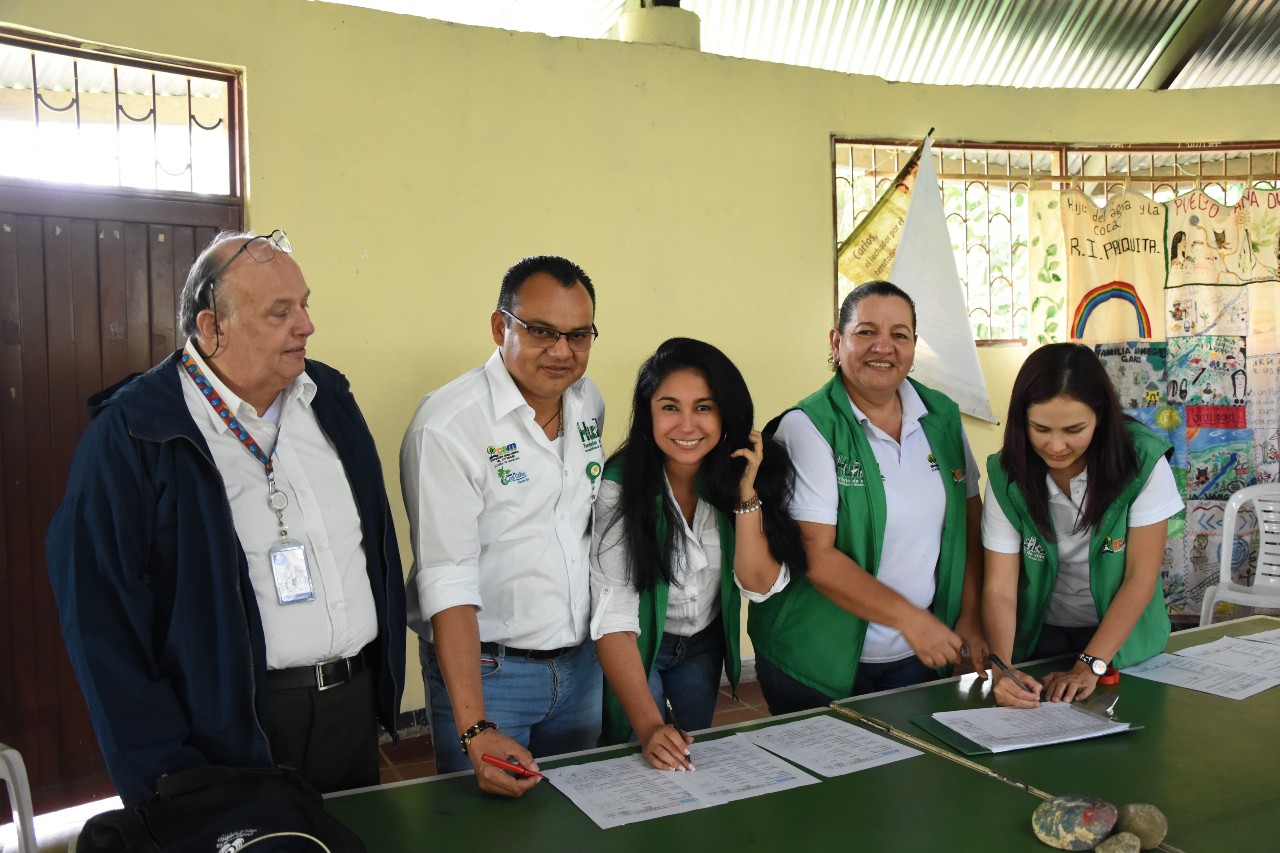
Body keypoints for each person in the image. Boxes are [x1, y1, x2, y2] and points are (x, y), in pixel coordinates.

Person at [45, 230, 406, 806]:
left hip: (350, 708)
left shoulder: (328, 398)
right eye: (280, 312)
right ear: (213, 327)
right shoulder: (135, 434)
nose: (307, 325)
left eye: (305, 304)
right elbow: (101, 623)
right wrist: (168, 775)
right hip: (227, 731)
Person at [402, 255, 604, 797]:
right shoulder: (448, 426)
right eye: (541, 331)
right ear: (500, 327)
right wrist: (475, 726)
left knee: (578, 814)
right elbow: (446, 578)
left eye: (578, 335)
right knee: (486, 824)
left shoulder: (588, 401)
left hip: (581, 666)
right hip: (491, 676)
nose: (561, 351)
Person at [751, 280, 988, 714]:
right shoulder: (808, 426)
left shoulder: (941, 416)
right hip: (816, 656)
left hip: (913, 653)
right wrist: (912, 620)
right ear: (836, 341)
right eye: (866, 332)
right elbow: (816, 555)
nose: (883, 347)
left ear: (913, 346)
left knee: (915, 756)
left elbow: (970, 523)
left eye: (899, 334)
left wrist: (970, 615)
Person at [590, 338, 805, 771]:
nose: (687, 425)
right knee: (645, 752)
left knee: (693, 758)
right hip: (638, 642)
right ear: (648, 412)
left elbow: (758, 585)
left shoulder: (739, 475)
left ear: (725, 413)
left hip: (703, 645)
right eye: (670, 407)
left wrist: (746, 496)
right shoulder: (618, 487)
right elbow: (613, 619)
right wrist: (650, 728)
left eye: (703, 407)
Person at [982, 342, 1181, 708]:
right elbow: (1000, 589)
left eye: (1074, 429)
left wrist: (1090, 664)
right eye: (1040, 428)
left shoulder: (1142, 461)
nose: (1056, 445)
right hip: (1040, 634)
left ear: (1100, 416)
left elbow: (1140, 576)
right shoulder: (1006, 473)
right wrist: (1003, 669)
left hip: (1122, 636)